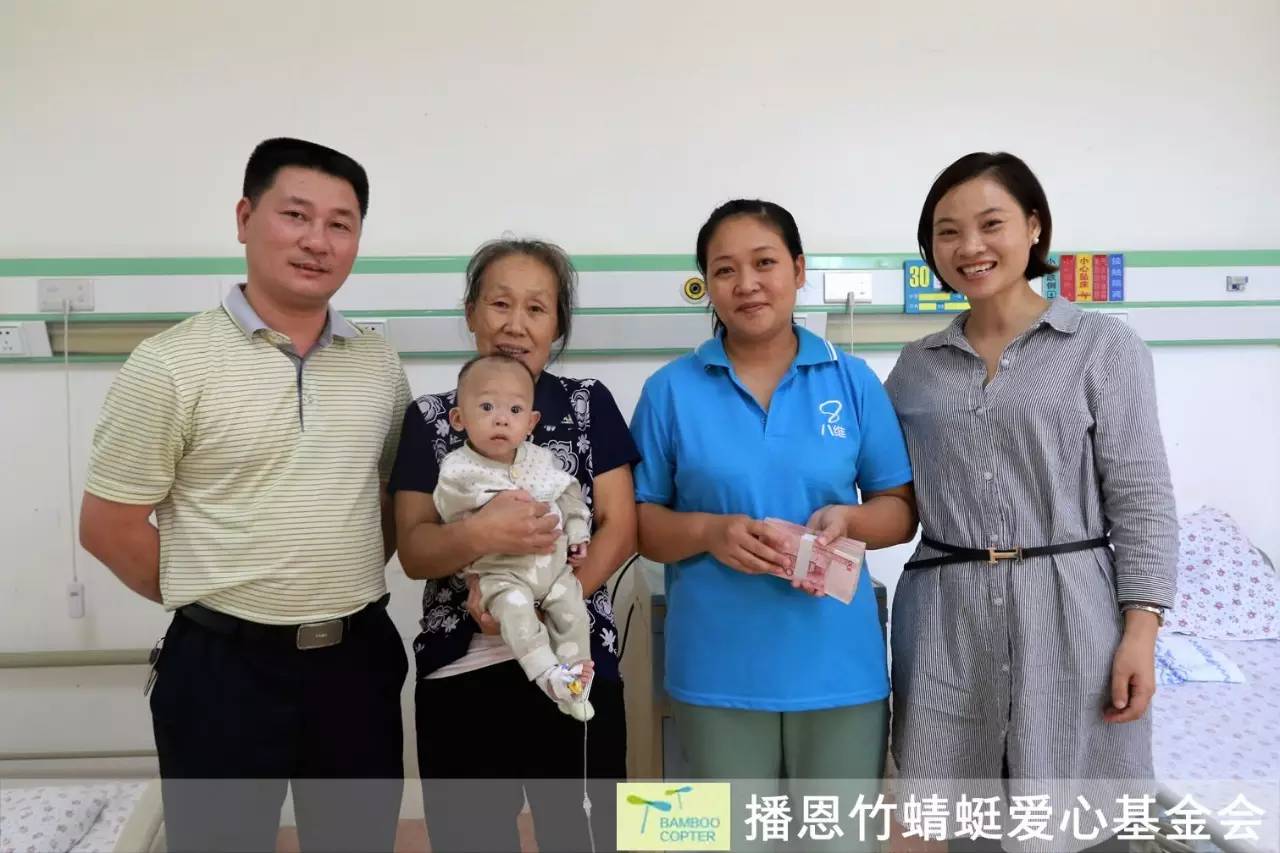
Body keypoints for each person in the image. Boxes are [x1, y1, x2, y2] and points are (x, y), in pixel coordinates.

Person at [79, 137, 412, 852]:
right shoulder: (170, 364)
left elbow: (388, 499)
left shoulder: (379, 364)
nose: (317, 241)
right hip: (221, 670)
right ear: (244, 218)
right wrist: (223, 595)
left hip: (355, 662)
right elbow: (108, 525)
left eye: (340, 223)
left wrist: (325, 578)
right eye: (296, 215)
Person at [884, 152, 1177, 852]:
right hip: (946, 617)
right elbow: (891, 492)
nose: (970, 246)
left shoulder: (1101, 347)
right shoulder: (916, 368)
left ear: (1034, 227)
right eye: (948, 232)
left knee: (1075, 814)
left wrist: (1141, 632)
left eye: (992, 224)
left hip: (1070, 609)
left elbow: (1142, 499)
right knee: (958, 817)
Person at [630, 199, 916, 820]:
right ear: (707, 284)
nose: (747, 283)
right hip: (716, 667)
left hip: (838, 667)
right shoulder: (670, 391)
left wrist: (849, 521)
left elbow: (899, 511)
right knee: (726, 837)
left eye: (764, 263)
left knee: (839, 838)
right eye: (725, 270)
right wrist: (709, 532)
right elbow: (641, 526)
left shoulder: (852, 382)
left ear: (798, 269)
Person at [391, 238, 637, 852]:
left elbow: (619, 525)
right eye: (500, 304)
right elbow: (414, 549)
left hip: (575, 659)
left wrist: (546, 599)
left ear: (557, 325)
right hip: (462, 666)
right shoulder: (432, 419)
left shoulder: (587, 405)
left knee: (588, 836)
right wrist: (480, 537)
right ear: (471, 312)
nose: (515, 325)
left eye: (536, 308)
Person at [432, 353, 596, 720]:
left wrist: (576, 533)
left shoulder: (539, 460)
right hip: (502, 574)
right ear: (458, 418)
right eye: (487, 407)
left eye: (515, 410)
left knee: (573, 614)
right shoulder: (458, 469)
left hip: (554, 570)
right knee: (518, 615)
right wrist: (499, 509)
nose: (501, 418)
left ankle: (573, 685)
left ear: (531, 422)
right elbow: (448, 507)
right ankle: (547, 675)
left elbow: (568, 494)